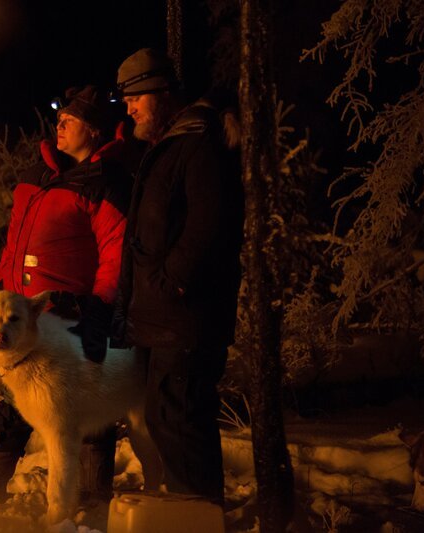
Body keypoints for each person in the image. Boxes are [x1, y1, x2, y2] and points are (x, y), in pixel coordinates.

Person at [0, 85, 132, 502]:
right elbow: (15, 240)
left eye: (70, 121)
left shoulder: (106, 182)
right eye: (58, 119)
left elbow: (115, 254)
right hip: (21, 309)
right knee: (17, 398)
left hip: (71, 312)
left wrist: (99, 308)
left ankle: (92, 493)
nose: (58, 126)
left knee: (84, 408)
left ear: (94, 131)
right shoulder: (39, 175)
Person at [111, 48, 244, 504]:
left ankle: (200, 515)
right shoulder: (169, 145)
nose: (129, 109)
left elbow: (211, 223)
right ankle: (189, 510)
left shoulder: (197, 144)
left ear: (163, 94)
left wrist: (173, 281)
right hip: (162, 312)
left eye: (136, 99)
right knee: (166, 417)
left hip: (184, 315)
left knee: (180, 420)